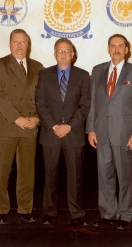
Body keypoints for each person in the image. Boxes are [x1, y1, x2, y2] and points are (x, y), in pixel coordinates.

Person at [86, 34, 132, 230]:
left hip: (125, 134)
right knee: (104, 175)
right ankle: (108, 213)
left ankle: (126, 214)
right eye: (113, 46)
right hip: (101, 133)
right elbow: (94, 103)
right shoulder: (97, 71)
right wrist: (91, 129)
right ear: (108, 49)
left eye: (121, 46)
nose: (117, 49)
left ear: (126, 49)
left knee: (125, 176)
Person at [35, 38, 91, 226]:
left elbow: (85, 105)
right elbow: (40, 103)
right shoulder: (44, 75)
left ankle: (76, 213)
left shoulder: (83, 76)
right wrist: (53, 125)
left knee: (75, 177)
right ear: (54, 54)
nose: (64, 54)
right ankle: (49, 211)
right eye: (60, 51)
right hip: (50, 134)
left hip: (73, 134)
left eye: (67, 51)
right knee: (50, 176)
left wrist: (69, 126)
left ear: (73, 54)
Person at [0, 29, 43, 224]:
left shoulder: (38, 67)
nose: (19, 45)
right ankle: (1, 210)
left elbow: (41, 97)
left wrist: (37, 118)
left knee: (27, 172)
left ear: (28, 45)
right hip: (8, 126)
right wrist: (17, 119)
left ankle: (25, 209)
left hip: (30, 127)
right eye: (15, 42)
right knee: (2, 171)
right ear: (10, 44)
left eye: (23, 42)